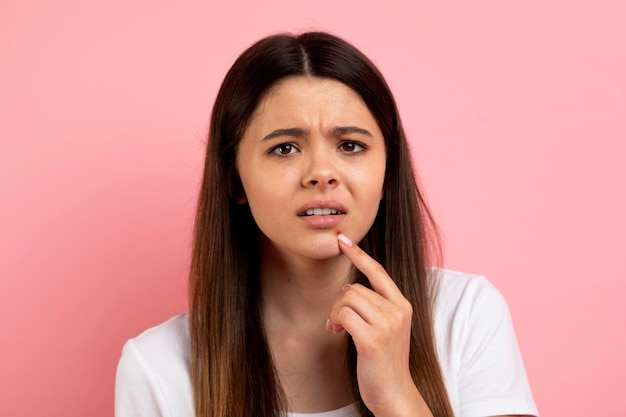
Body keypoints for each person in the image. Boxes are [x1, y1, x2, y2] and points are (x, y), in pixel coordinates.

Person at [115, 31, 539, 417]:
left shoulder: (465, 315)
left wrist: (397, 395)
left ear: (388, 173)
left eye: (350, 145)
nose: (321, 172)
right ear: (234, 179)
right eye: (284, 149)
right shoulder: (157, 368)